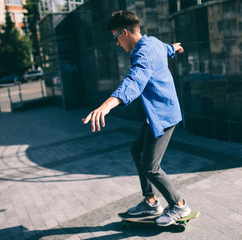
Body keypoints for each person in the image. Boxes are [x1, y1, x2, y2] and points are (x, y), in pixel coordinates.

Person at [82, 10, 191, 227]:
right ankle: (150, 202)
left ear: (124, 32)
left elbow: (133, 82)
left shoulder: (144, 53)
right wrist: (175, 48)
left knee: (151, 166)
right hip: (156, 115)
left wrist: (106, 106)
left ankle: (178, 205)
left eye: (116, 38)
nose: (116, 43)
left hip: (164, 116)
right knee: (137, 151)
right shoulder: (154, 43)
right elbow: (167, 48)